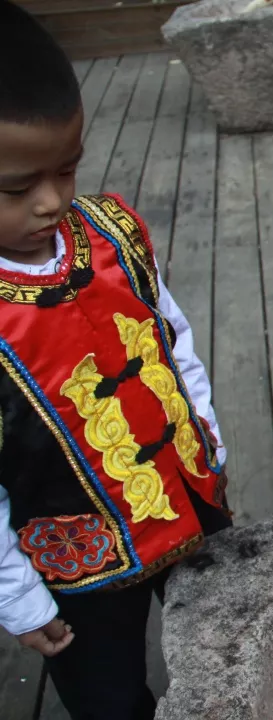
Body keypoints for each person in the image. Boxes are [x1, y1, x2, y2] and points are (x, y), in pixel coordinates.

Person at [0, 4, 230, 718]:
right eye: (16, 188)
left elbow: (173, 338)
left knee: (228, 637)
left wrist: (206, 431)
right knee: (108, 697)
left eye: (67, 169)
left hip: (189, 500)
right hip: (79, 566)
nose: (52, 200)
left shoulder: (112, 232)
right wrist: (16, 595)